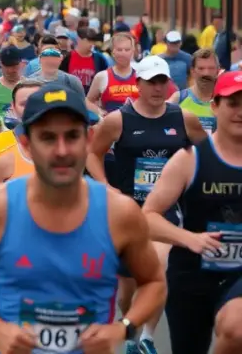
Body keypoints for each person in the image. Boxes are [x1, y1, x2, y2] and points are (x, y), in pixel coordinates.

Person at [0, 83, 167, 354]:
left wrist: (123, 327)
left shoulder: (119, 212)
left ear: (89, 139)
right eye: (47, 138)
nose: (61, 150)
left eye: (72, 136)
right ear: (26, 143)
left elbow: (154, 282)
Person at [86, 55, 207, 353]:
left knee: (160, 270)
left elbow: (207, 155)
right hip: (128, 209)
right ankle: (129, 327)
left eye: (162, 82)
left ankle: (147, 338)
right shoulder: (118, 120)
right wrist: (105, 187)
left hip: (166, 209)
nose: (157, 88)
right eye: (151, 82)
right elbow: (92, 154)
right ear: (137, 84)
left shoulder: (183, 118)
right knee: (128, 289)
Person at [141, 69, 242, 354]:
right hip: (191, 275)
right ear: (215, 106)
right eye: (233, 103)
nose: (240, 112)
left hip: (238, 273)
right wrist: (189, 239)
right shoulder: (189, 159)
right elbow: (148, 218)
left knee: (236, 328)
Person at [168, 48, 218, 132]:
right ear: (192, 71)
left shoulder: (226, 100)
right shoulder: (178, 98)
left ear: (217, 70)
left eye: (211, 68)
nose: (206, 73)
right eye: (201, 68)